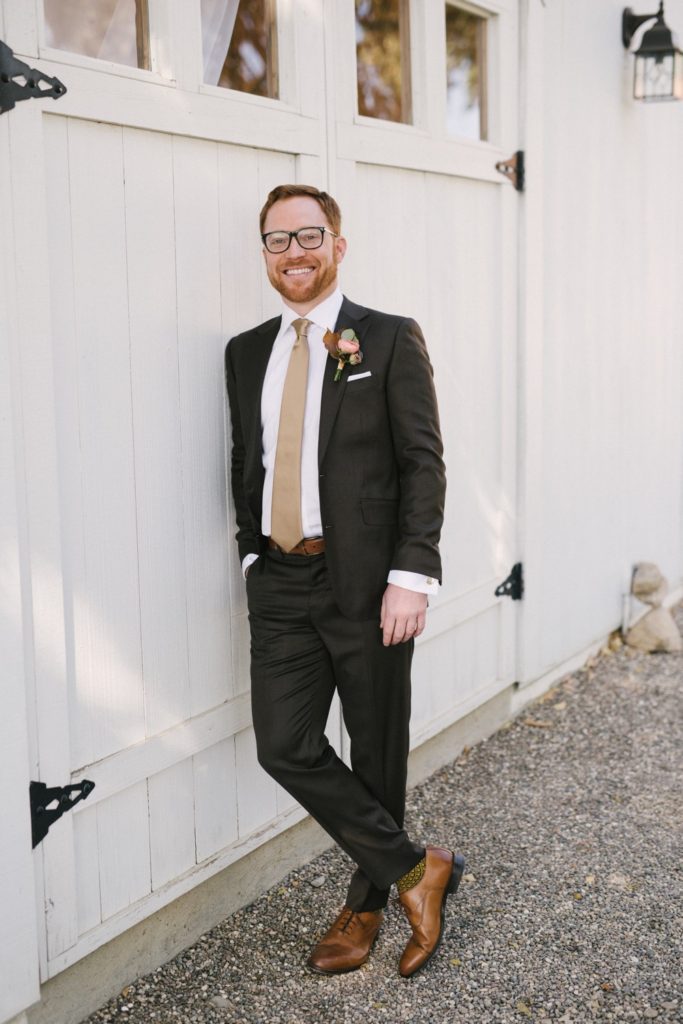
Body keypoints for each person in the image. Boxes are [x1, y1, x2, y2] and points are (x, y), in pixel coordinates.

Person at [224, 184, 464, 978]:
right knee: (284, 745)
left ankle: (364, 905)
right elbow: (248, 459)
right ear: (263, 251)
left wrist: (412, 574)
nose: (293, 252)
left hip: (369, 583)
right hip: (281, 582)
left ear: (337, 244)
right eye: (276, 239)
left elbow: (421, 463)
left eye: (308, 235)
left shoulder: (388, 338)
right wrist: (251, 554)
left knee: (376, 749)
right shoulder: (245, 350)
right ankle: (415, 867)